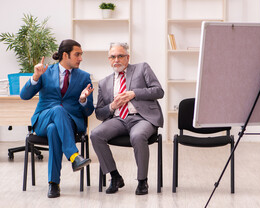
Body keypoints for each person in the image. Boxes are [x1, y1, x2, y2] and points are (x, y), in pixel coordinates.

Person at [20, 39, 94, 198]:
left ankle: (53, 184)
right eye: (77, 54)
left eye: (81, 55)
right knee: (57, 110)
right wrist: (35, 77)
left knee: (54, 129)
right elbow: (24, 96)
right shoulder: (45, 72)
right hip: (42, 120)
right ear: (65, 55)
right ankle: (74, 155)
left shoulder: (84, 77)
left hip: (71, 123)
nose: (80, 58)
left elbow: (88, 111)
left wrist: (82, 100)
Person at [90, 42, 164, 195]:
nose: (116, 60)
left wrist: (134, 93)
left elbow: (158, 91)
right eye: (112, 57)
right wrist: (112, 106)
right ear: (109, 59)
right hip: (118, 120)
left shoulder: (142, 68)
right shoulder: (104, 83)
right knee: (95, 134)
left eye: (120, 56)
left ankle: (142, 181)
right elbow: (99, 113)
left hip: (142, 118)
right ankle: (115, 176)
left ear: (127, 57)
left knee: (137, 136)